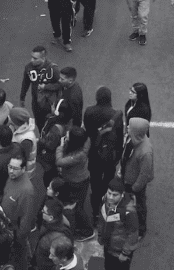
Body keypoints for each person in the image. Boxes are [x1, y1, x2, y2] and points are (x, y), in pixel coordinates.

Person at [84, 86, 123, 215]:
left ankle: (95, 207)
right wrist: (118, 156)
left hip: (94, 153)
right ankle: (106, 205)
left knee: (95, 179)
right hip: (109, 155)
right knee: (108, 179)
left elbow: (88, 132)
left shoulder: (89, 112)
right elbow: (119, 138)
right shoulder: (115, 115)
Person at [56, 126, 96, 241]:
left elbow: (60, 161)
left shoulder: (78, 156)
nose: (66, 135)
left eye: (69, 135)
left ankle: (87, 231)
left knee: (77, 208)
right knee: (79, 204)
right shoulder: (85, 142)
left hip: (75, 182)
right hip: (82, 179)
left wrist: (61, 145)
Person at [119, 117, 153, 237]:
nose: (127, 127)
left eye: (130, 126)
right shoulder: (132, 139)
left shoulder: (145, 152)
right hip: (127, 177)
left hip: (134, 183)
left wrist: (135, 188)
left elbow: (145, 174)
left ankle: (141, 230)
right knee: (128, 202)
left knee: (139, 206)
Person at [2, 152, 36, 270]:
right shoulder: (12, 177)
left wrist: (20, 238)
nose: (11, 171)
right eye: (10, 167)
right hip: (6, 224)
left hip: (15, 231)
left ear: (23, 169)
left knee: (21, 252)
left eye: (15, 168)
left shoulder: (26, 191)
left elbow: (26, 218)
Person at [97, 178, 140, 270]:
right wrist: (100, 235)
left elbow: (133, 233)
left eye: (115, 195)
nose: (111, 197)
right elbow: (101, 220)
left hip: (120, 251)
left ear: (122, 194)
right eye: (109, 193)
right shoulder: (105, 200)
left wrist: (125, 253)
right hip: (108, 246)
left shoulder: (129, 211)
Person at [19, 46, 61, 127]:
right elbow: (25, 82)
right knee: (39, 123)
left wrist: (46, 87)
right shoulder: (29, 67)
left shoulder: (53, 69)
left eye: (35, 58)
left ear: (43, 58)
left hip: (49, 103)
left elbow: (60, 85)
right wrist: (22, 97)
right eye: (31, 57)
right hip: (36, 102)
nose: (32, 60)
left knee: (50, 124)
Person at [39, 98, 73, 187]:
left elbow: (50, 145)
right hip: (60, 155)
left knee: (49, 177)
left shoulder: (55, 130)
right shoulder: (68, 122)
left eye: (54, 105)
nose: (52, 106)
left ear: (58, 112)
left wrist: (40, 142)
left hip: (51, 158)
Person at [33, 199, 72, 270]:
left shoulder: (56, 238)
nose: (41, 212)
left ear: (51, 217)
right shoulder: (60, 220)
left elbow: (58, 259)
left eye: (44, 212)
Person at [9, 107, 38, 176]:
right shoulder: (17, 128)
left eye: (10, 117)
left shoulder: (26, 140)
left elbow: (22, 159)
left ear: (15, 122)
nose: (8, 117)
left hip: (23, 172)